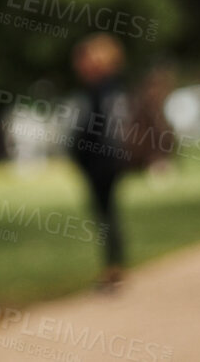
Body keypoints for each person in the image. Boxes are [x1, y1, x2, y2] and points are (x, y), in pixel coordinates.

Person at [66, 33, 131, 292]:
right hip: (97, 161)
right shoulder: (100, 89)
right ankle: (113, 266)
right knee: (106, 215)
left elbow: (106, 128)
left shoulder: (106, 90)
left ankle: (113, 269)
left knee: (106, 214)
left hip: (103, 161)